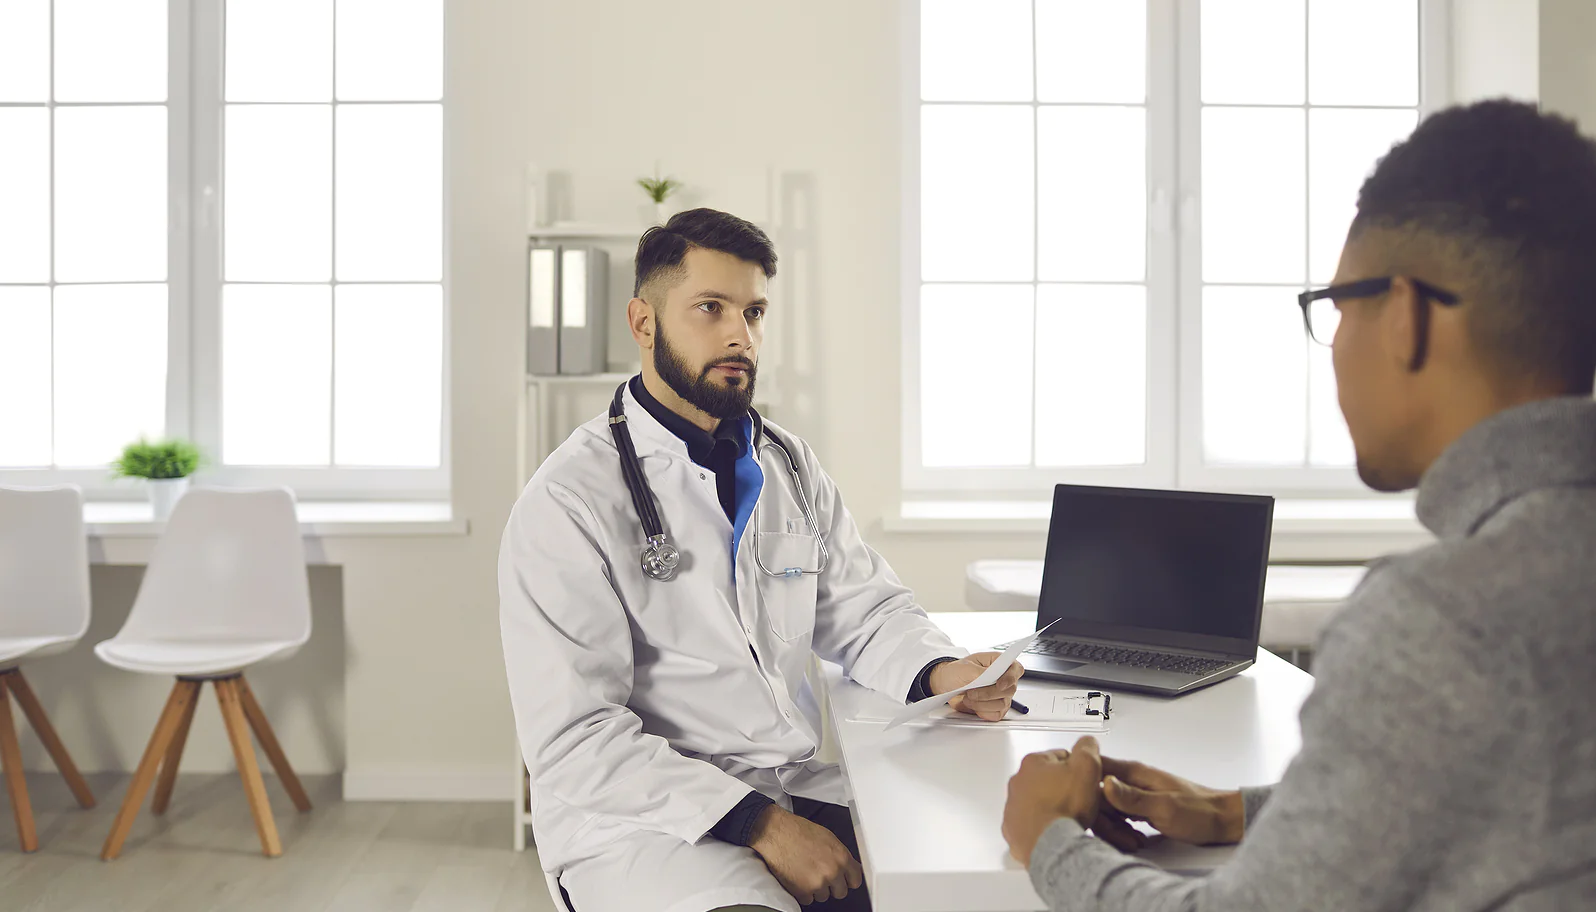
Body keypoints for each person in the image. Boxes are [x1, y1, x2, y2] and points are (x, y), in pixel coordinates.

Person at [1000, 98, 1596, 910]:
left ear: (1406, 316)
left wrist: (1047, 838)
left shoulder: (1442, 619)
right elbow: (1519, 798)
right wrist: (1240, 812)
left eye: (1336, 305)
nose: (1335, 343)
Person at [500, 208, 1025, 912]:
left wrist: (942, 671)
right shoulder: (568, 499)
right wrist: (761, 826)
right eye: (710, 308)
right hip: (640, 829)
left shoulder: (786, 464)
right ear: (643, 323)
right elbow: (575, 736)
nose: (739, 336)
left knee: (968, 876)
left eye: (753, 312)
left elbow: (865, 611)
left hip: (787, 786)